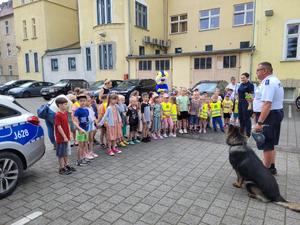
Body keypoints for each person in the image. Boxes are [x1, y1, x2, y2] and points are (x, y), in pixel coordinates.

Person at [254, 62, 284, 175]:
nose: (256, 72)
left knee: (267, 143)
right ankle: (271, 167)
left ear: (265, 71)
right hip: (273, 114)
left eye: (258, 70)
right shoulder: (274, 80)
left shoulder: (268, 82)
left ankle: (264, 173)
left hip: (269, 116)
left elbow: (267, 104)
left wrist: (260, 122)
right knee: (271, 143)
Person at [54, 97, 76, 175]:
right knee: (61, 153)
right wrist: (64, 137)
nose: (66, 105)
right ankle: (61, 168)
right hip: (61, 138)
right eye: (64, 104)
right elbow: (58, 127)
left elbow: (67, 124)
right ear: (59, 105)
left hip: (66, 136)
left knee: (66, 152)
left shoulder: (65, 113)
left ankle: (67, 165)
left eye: (66, 104)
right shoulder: (57, 115)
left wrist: (69, 133)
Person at [73, 94, 90, 166]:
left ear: (86, 101)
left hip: (86, 130)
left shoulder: (86, 110)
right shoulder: (77, 111)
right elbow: (75, 122)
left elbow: (87, 119)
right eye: (81, 101)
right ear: (78, 102)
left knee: (84, 145)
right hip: (80, 131)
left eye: (84, 101)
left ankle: (83, 158)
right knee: (80, 146)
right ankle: (78, 160)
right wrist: (80, 129)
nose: (83, 102)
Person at [238, 72, 254, 137]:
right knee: (240, 118)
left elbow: (251, 96)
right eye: (241, 78)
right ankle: (242, 131)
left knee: (246, 118)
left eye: (243, 78)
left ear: (247, 78)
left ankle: (248, 134)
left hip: (246, 103)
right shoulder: (241, 84)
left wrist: (250, 105)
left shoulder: (250, 85)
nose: (242, 79)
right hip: (240, 103)